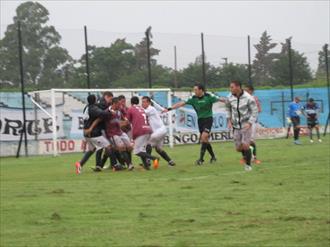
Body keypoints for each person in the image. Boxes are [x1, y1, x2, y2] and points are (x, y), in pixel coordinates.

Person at [163, 83, 222, 165]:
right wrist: (169, 108)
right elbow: (181, 103)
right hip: (200, 120)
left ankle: (201, 159)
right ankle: (213, 157)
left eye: (196, 90)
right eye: (194, 90)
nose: (194, 91)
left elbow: (220, 99)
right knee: (205, 140)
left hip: (208, 119)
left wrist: (231, 101)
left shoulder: (209, 96)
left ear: (201, 90)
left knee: (203, 137)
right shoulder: (193, 98)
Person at [75, 94, 113, 174]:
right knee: (108, 146)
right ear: (95, 100)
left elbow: (99, 107)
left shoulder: (87, 107)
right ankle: (115, 165)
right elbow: (102, 114)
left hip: (86, 132)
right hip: (92, 132)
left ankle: (80, 164)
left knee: (92, 149)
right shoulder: (93, 109)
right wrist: (110, 112)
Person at [225, 81, 258, 171]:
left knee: (245, 145)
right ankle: (249, 150)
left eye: (232, 87)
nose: (230, 89)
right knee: (238, 148)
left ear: (238, 87)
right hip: (236, 126)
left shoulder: (249, 98)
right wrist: (229, 120)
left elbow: (255, 111)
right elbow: (227, 108)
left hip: (246, 125)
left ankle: (248, 165)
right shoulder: (229, 97)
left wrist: (250, 122)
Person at [126, 96, 159, 170]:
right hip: (148, 130)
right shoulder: (142, 109)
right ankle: (147, 166)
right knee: (142, 150)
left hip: (140, 131)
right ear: (138, 102)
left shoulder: (131, 109)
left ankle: (154, 158)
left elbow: (127, 122)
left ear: (131, 103)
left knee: (136, 152)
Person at [142, 96, 176, 166]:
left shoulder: (150, 109)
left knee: (147, 143)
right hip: (161, 131)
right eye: (142, 102)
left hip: (159, 131)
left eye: (144, 102)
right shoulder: (149, 109)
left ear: (149, 103)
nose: (142, 103)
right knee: (158, 149)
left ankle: (148, 160)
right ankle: (170, 161)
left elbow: (141, 113)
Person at [106, 97, 134, 171]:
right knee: (121, 147)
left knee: (130, 147)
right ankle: (129, 165)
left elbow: (122, 121)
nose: (120, 106)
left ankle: (129, 163)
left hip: (120, 132)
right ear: (114, 104)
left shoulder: (119, 111)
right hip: (112, 134)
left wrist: (126, 121)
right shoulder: (107, 112)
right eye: (119, 104)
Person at [244, 85, 261, 164]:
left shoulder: (254, 99)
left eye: (247, 90)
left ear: (251, 91)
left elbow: (258, 110)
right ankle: (247, 157)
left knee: (251, 140)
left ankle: (254, 157)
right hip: (245, 122)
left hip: (252, 122)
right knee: (245, 140)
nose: (245, 92)